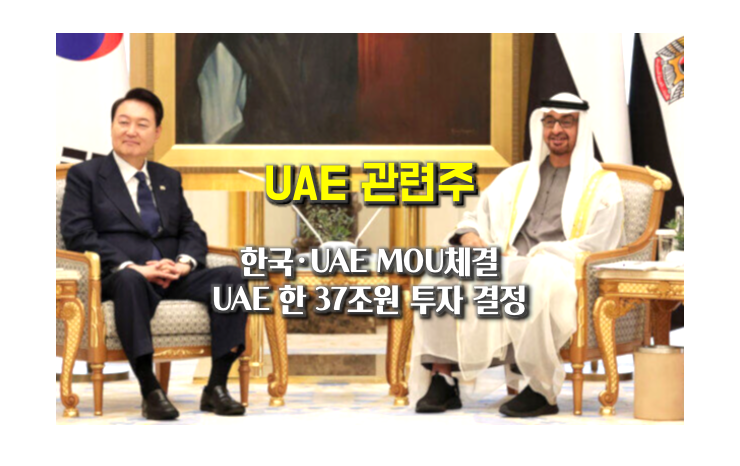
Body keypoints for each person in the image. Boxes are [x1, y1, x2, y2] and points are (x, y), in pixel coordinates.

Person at [411, 93, 625, 417]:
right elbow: (474, 218)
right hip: (506, 260)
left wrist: (544, 254)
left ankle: (541, 389)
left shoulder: (603, 184)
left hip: (559, 266)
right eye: (550, 122)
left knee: (537, 276)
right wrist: (470, 237)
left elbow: (601, 242)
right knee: (441, 273)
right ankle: (443, 379)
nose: (556, 130)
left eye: (566, 122)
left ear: (581, 128)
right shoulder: (517, 176)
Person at [61, 88, 248, 421]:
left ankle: (216, 387)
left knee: (233, 277)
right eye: (124, 122)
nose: (131, 131)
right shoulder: (85, 176)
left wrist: (183, 264)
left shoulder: (167, 178)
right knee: (130, 281)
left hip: (171, 274)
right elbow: (78, 235)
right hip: (117, 277)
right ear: (112, 126)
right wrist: (132, 266)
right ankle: (150, 390)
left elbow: (191, 230)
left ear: (157, 132)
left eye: (142, 124)